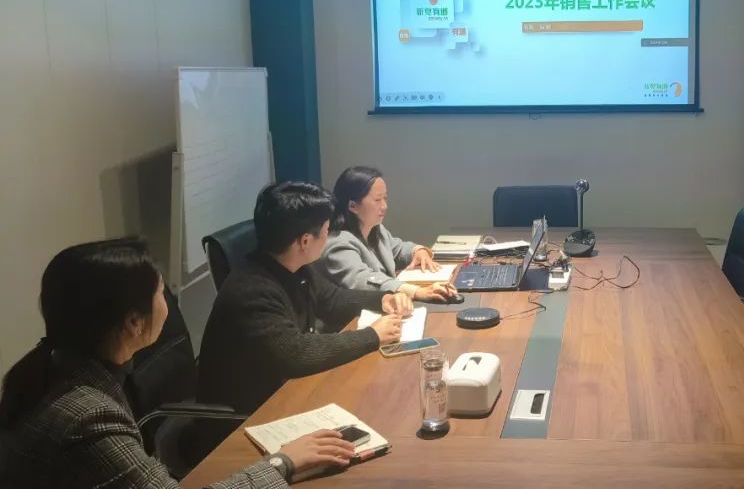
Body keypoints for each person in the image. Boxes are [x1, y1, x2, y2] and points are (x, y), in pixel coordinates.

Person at [0, 238, 357, 488]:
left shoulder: (54, 365)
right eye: (161, 291)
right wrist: (283, 462)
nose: (167, 300)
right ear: (133, 323)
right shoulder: (88, 418)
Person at [198, 181, 407, 420]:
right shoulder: (251, 291)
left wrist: (383, 299)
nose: (328, 237)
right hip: (251, 414)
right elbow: (296, 354)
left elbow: (331, 300)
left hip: (287, 390)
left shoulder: (293, 265)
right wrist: (372, 336)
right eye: (326, 230)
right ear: (305, 241)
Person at [322, 166, 457, 302]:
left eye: (385, 198)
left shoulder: (375, 229)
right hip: (360, 313)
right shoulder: (338, 243)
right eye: (377, 200)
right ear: (353, 206)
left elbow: (398, 249)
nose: (384, 206)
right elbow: (361, 280)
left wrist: (418, 251)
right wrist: (416, 291)